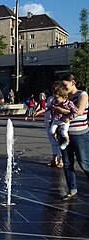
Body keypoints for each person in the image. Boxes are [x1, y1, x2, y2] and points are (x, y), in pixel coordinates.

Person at [59, 73, 88, 201]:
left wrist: (62, 111)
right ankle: (72, 189)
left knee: (84, 163)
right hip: (64, 134)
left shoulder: (82, 95)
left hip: (80, 134)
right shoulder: (63, 96)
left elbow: (79, 111)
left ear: (73, 82)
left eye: (65, 85)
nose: (63, 88)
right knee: (67, 163)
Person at [33, 81, 64, 168]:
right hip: (49, 120)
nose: (54, 92)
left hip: (58, 121)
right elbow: (47, 107)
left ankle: (61, 159)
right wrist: (38, 112)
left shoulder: (63, 99)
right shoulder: (50, 98)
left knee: (59, 140)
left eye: (55, 89)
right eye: (53, 90)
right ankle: (54, 158)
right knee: (53, 141)